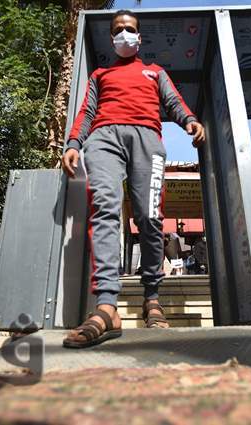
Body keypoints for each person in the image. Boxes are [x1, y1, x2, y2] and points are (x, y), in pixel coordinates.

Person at [61, 10, 206, 348]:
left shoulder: (155, 72)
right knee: (105, 210)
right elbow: (87, 111)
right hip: (104, 139)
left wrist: (189, 119)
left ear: (139, 37)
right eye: (118, 29)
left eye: (129, 28)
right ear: (112, 37)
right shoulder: (100, 74)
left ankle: (152, 298)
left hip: (147, 139)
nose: (124, 33)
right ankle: (106, 306)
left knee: (150, 217)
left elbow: (173, 101)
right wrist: (73, 142)